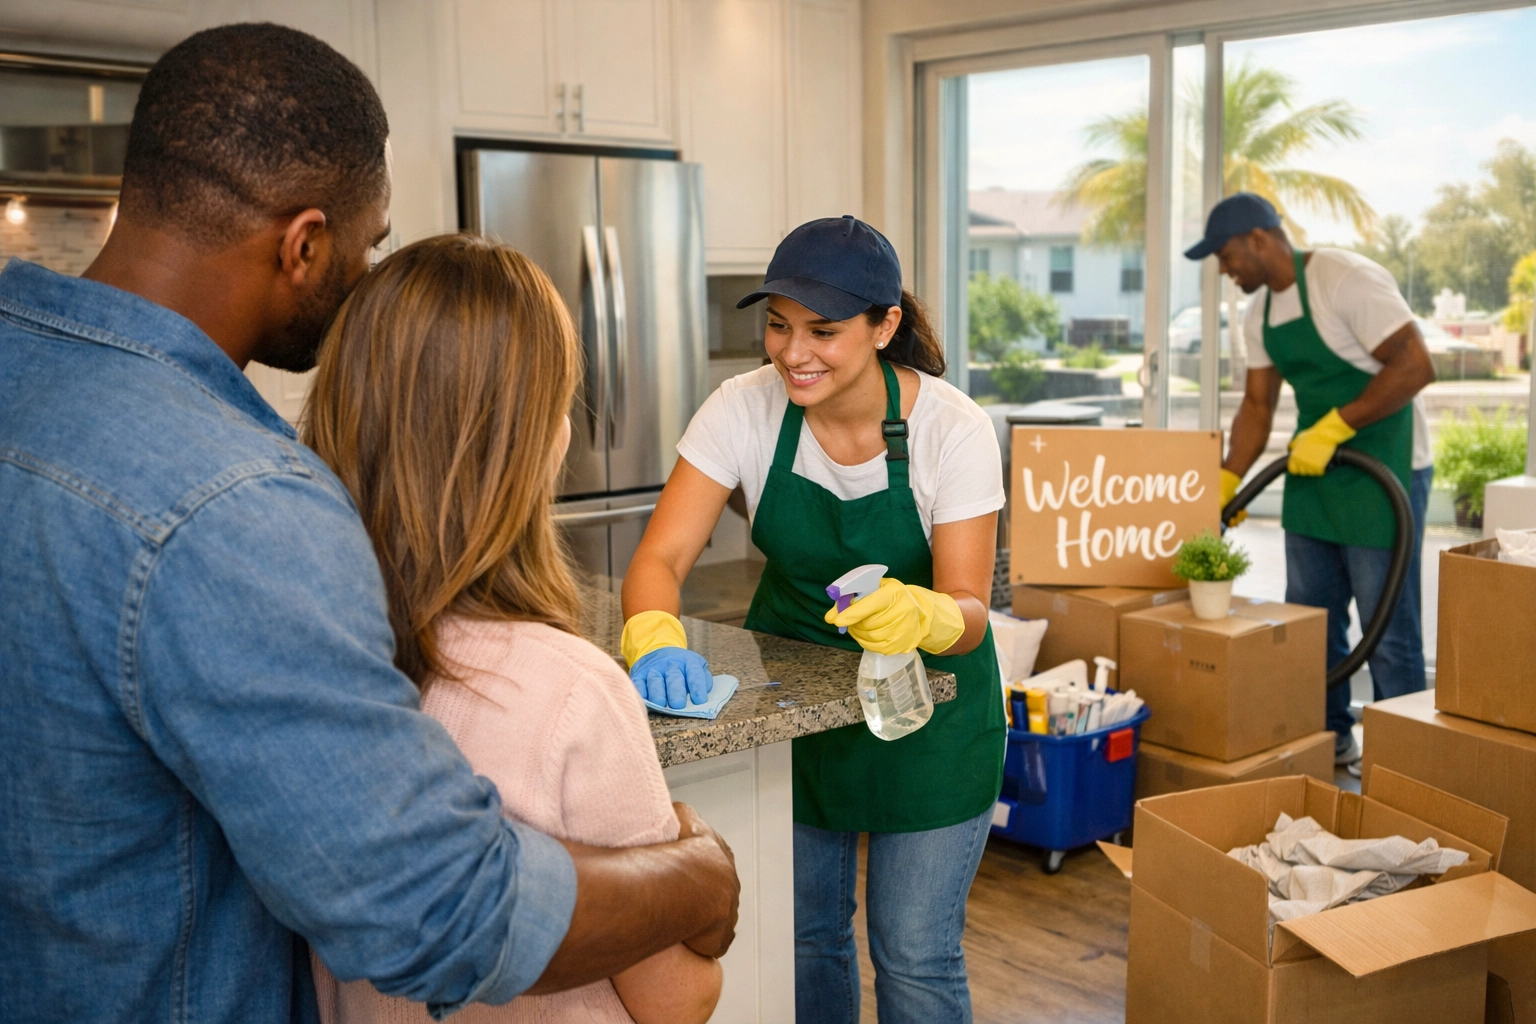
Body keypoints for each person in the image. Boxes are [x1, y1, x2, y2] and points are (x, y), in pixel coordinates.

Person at [0, 24, 736, 1024]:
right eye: (369, 239)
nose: (368, 268)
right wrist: (699, 873)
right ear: (304, 245)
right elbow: (437, 906)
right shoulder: (234, 503)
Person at [301, 235, 723, 1024]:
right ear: (534, 442)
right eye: (561, 399)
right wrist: (693, 849)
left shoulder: (310, 662)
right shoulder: (569, 691)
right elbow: (676, 1000)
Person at [622, 215, 1006, 1023]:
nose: (793, 353)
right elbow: (659, 560)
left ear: (885, 326)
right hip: (797, 709)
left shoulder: (952, 429)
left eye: (824, 331)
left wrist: (919, 613)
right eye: (777, 325)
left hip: (930, 718)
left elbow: (970, 610)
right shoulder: (742, 410)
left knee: (915, 956)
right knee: (804, 938)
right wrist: (655, 634)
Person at [1185, 192, 1437, 774]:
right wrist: (1225, 482)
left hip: (1385, 471)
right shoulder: (1259, 315)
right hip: (1314, 470)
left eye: (1226, 256)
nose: (1225, 270)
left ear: (1259, 237)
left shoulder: (1342, 278)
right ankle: (1330, 738)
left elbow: (1416, 365)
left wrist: (1339, 425)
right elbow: (1256, 404)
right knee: (1311, 623)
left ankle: (1406, 766)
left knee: (1389, 629)